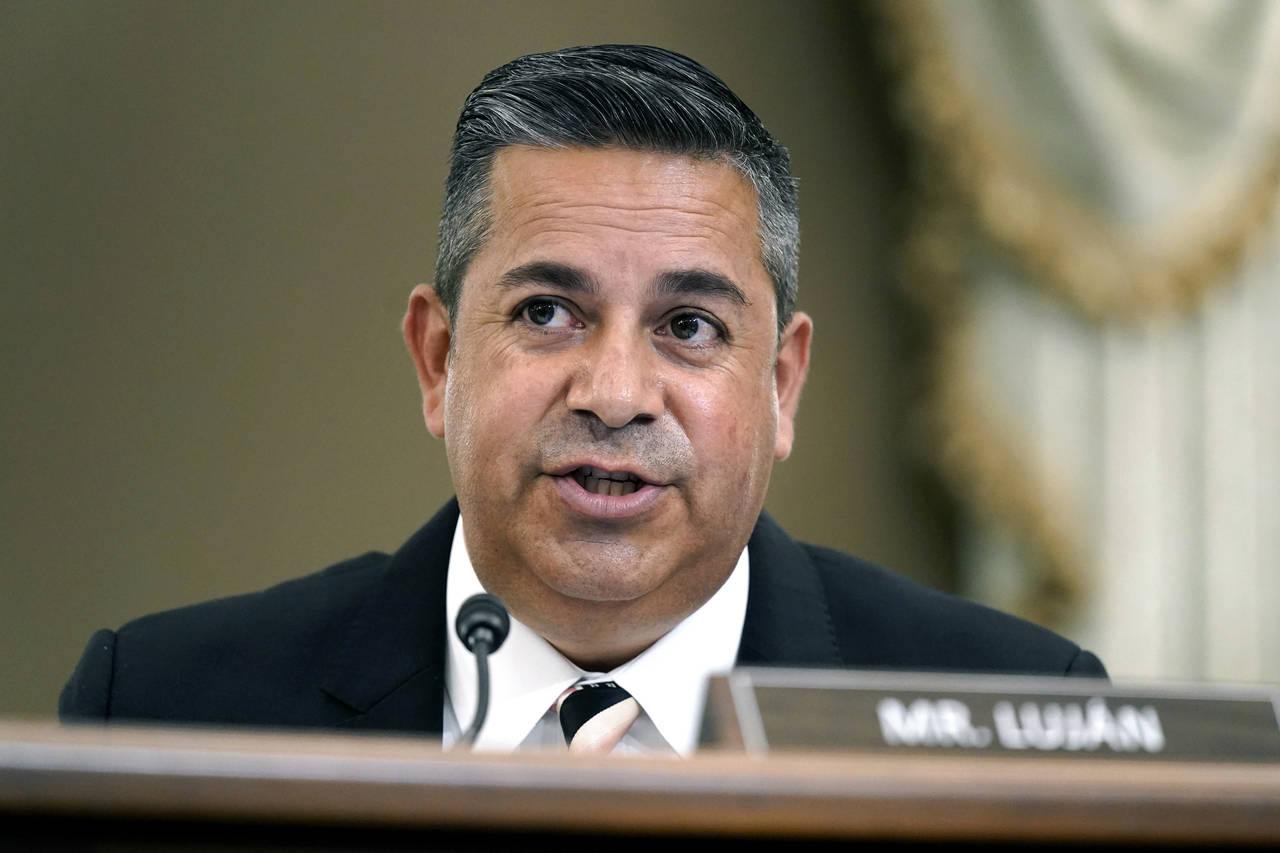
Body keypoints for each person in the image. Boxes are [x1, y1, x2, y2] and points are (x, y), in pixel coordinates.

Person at [59, 45, 1105, 755]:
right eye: (549, 312)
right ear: (436, 358)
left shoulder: (1016, 715)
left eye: (687, 326)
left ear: (780, 384)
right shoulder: (165, 708)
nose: (613, 394)